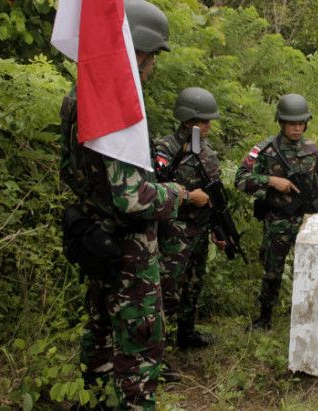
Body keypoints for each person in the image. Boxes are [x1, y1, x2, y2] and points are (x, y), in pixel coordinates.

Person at [59, 1, 209, 409]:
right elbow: (133, 197)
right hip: (127, 249)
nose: (154, 66)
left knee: (100, 329)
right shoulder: (116, 106)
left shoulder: (78, 95)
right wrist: (178, 194)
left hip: (95, 237)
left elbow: (69, 174)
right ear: (137, 48)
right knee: (141, 347)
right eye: (153, 55)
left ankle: (93, 401)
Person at [235, 93, 318, 330]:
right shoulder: (265, 150)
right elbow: (240, 180)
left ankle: (307, 315)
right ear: (281, 122)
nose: (297, 128)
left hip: (308, 221)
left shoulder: (311, 150)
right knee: (272, 271)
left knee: (311, 269)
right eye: (292, 123)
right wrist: (270, 181)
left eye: (301, 123)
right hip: (278, 220)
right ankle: (265, 318)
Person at [155, 87, 222, 350]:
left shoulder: (207, 152)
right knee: (167, 288)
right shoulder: (165, 148)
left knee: (194, 283)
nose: (208, 127)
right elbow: (154, 189)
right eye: (203, 121)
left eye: (208, 122)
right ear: (187, 120)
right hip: (174, 229)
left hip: (200, 227)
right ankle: (159, 345)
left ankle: (186, 333)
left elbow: (215, 192)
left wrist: (217, 228)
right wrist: (187, 196)